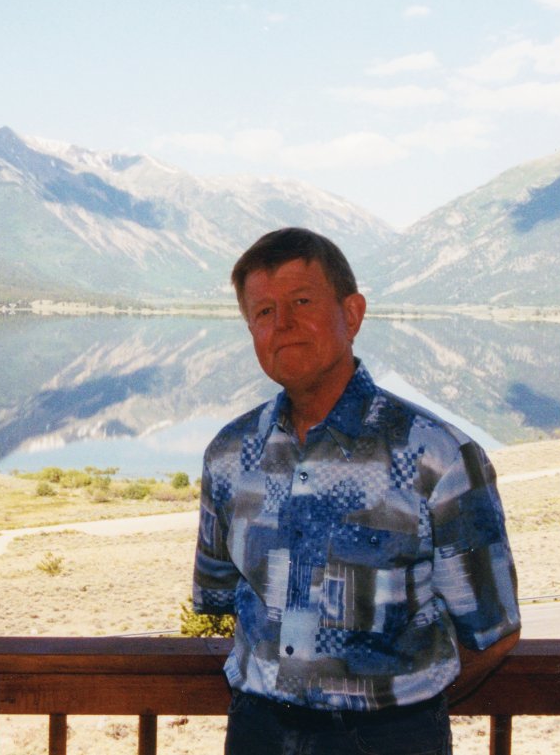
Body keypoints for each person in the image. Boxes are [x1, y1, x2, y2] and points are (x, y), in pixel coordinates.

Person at [193, 227, 521, 755]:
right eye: (264, 312)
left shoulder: (438, 456)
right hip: (258, 734)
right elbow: (220, 597)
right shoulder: (229, 455)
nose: (284, 324)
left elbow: (493, 634)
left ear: (352, 313)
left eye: (302, 302)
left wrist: (403, 715)